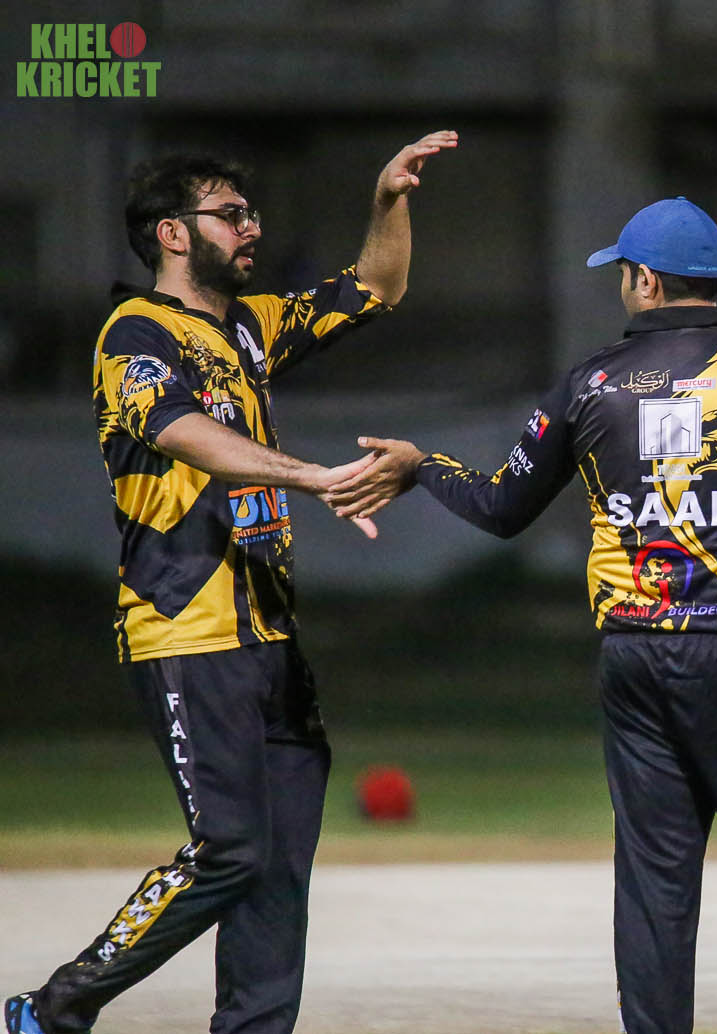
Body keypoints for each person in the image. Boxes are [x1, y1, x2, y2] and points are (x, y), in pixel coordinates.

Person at [324, 197, 717, 1034]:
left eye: (623, 273)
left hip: (636, 659)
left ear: (645, 281)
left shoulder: (592, 383)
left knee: (654, 884)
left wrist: (424, 465)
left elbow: (501, 506)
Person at [3, 131, 458, 1034]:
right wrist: (310, 475)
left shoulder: (247, 326)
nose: (252, 228)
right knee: (230, 851)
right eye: (231, 214)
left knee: (278, 864)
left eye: (251, 213)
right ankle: (52, 1010)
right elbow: (177, 428)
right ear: (172, 233)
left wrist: (388, 199)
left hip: (270, 639)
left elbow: (374, 288)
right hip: (186, 626)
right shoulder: (134, 333)